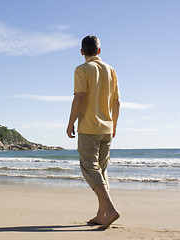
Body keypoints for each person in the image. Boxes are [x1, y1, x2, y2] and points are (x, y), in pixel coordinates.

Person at [66, 35, 120, 230]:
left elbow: (79, 97)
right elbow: (116, 101)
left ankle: (111, 209)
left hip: (88, 127)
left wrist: (70, 123)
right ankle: (101, 214)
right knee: (102, 171)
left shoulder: (82, 69)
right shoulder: (111, 70)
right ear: (99, 51)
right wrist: (114, 125)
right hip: (106, 127)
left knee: (90, 169)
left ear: (82, 52)